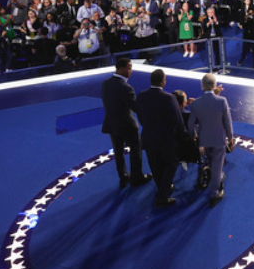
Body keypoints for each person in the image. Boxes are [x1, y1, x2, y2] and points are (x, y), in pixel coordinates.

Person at [135, 68, 189, 207]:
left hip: (148, 137)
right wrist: (184, 136)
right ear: (163, 81)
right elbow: (178, 120)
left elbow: (140, 116)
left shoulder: (141, 96)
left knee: (155, 165)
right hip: (166, 139)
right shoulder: (169, 98)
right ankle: (162, 195)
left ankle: (162, 189)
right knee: (171, 164)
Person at [100, 57, 148, 189]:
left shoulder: (105, 83)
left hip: (111, 124)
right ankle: (136, 177)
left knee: (118, 151)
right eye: (129, 68)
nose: (131, 71)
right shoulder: (125, 87)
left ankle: (123, 177)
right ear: (121, 69)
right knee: (135, 148)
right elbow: (135, 107)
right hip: (127, 125)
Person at [188, 73, 234, 206]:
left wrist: (193, 135)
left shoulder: (196, 103)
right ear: (214, 85)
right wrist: (230, 137)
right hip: (219, 139)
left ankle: (216, 177)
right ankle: (214, 194)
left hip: (204, 139)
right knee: (217, 165)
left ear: (202, 86)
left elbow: (191, 124)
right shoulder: (222, 101)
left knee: (211, 160)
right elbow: (227, 121)